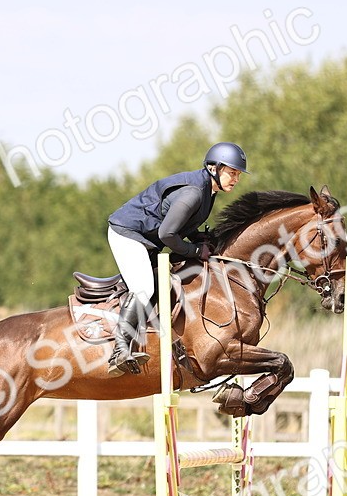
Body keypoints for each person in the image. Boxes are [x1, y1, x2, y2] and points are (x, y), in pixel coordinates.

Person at [104, 142, 249, 374]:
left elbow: (181, 222)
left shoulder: (208, 190)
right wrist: (194, 251)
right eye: (232, 173)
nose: (235, 179)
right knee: (144, 287)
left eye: (238, 175)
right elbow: (167, 234)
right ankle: (119, 350)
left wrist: (197, 236)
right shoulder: (193, 193)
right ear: (214, 168)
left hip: (147, 238)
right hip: (127, 233)